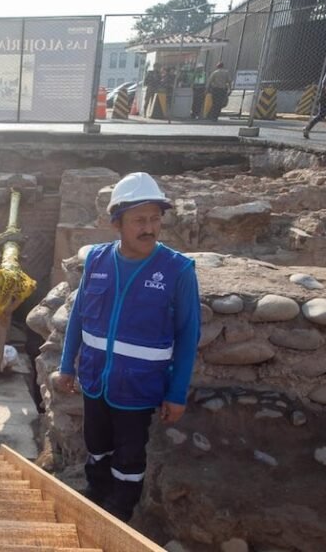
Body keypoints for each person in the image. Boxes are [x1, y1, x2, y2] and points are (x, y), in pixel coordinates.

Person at [55, 172, 200, 523]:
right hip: (94, 381)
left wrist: (177, 392)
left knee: (130, 455)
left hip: (139, 387)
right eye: (139, 220)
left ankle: (120, 511)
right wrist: (66, 365)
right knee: (97, 444)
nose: (149, 228)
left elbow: (188, 333)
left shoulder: (178, 270)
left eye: (155, 219)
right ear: (116, 223)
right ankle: (96, 491)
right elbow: (78, 318)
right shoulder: (98, 260)